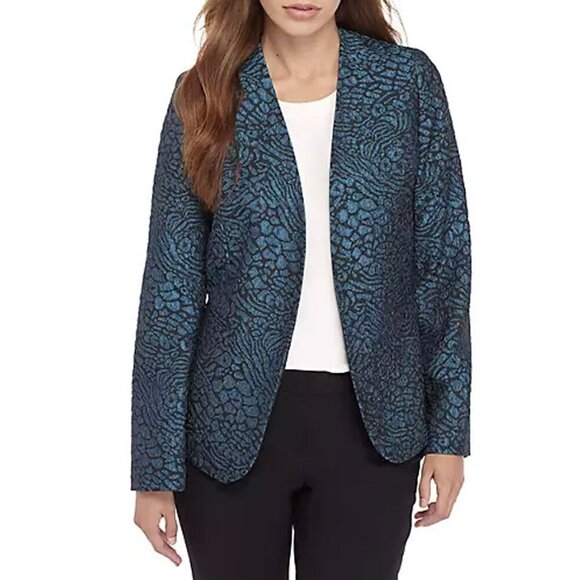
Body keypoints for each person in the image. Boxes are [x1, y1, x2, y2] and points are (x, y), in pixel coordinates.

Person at [130, 1, 472, 578]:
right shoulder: (205, 93)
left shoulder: (407, 84)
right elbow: (170, 287)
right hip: (228, 424)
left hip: (375, 426)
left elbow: (442, 265)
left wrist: (449, 432)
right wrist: (153, 469)